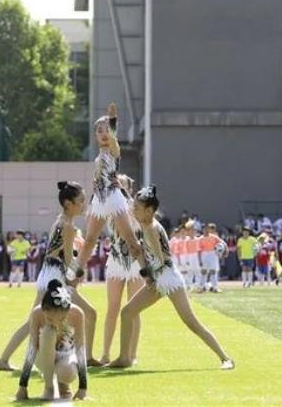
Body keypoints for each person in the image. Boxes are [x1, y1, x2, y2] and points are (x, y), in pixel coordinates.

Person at [107, 185, 234, 370]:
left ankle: (225, 358)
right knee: (128, 312)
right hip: (159, 278)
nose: (132, 211)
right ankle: (124, 358)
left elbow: (160, 258)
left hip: (169, 279)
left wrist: (146, 265)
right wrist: (147, 270)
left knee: (192, 323)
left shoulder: (150, 228)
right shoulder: (145, 224)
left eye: (136, 208)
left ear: (149, 210)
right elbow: (151, 257)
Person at [0, 181, 101, 371]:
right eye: (81, 201)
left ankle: (7, 360)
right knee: (79, 315)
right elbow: (69, 260)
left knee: (38, 321)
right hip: (54, 279)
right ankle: (77, 358)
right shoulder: (68, 226)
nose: (84, 204)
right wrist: (78, 273)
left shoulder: (60, 222)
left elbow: (61, 256)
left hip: (49, 275)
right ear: (68, 203)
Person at [75, 103, 146, 303]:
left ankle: (146, 273)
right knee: (89, 240)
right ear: (95, 135)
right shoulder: (98, 157)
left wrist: (113, 120)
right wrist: (90, 204)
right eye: (100, 130)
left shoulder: (114, 149)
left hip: (114, 196)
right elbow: (97, 182)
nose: (104, 133)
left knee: (131, 239)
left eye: (107, 130)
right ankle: (76, 274)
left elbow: (114, 139)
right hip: (99, 199)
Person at [16, 280, 88, 401]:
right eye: (49, 319)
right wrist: (22, 387)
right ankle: (49, 387)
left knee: (66, 372)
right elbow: (32, 349)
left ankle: (63, 384)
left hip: (65, 354)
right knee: (49, 332)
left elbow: (80, 349)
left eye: (61, 320)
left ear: (68, 310)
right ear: (43, 310)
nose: (55, 324)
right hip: (42, 356)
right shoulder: (37, 313)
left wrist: (83, 388)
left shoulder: (77, 314)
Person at [101, 174, 144, 364]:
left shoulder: (137, 207)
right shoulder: (111, 206)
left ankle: (131, 354)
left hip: (136, 261)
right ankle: (105, 353)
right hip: (116, 259)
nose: (117, 186)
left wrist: (125, 194)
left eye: (122, 183)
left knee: (134, 309)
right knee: (113, 308)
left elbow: (138, 221)